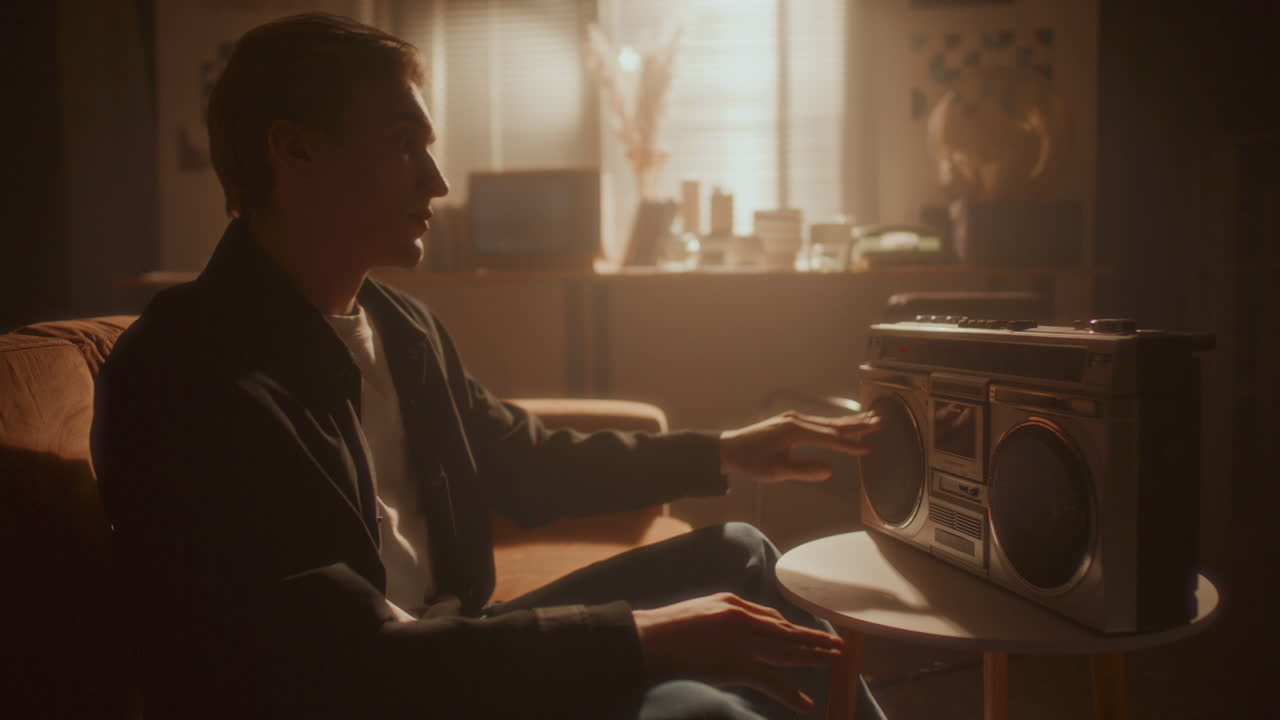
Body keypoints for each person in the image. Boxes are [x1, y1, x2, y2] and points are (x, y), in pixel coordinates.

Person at [92, 13, 886, 720]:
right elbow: (340, 666)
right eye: (404, 144)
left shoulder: (401, 329)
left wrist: (722, 451)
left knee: (741, 550)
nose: (435, 183)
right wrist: (641, 641)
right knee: (692, 706)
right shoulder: (186, 376)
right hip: (384, 689)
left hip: (452, 643)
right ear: (294, 150)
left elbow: (524, 460)